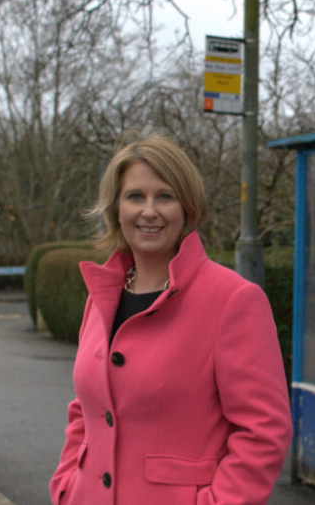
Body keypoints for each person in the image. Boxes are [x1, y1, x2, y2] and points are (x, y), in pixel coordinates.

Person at [49, 133, 293, 505]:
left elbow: (264, 431)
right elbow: (87, 409)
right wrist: (66, 485)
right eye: (135, 197)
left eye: (165, 196)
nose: (149, 211)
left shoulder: (232, 300)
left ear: (187, 208)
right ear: (116, 208)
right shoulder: (101, 296)